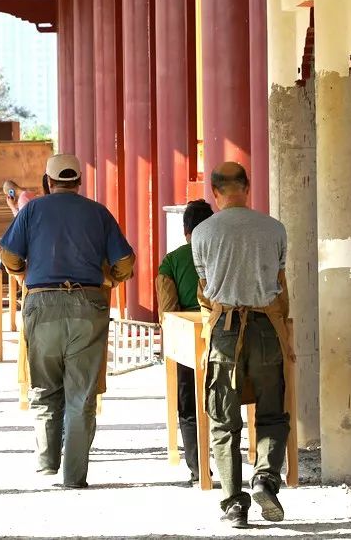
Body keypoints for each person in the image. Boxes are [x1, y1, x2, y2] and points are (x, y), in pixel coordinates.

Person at [0, 154, 135, 488]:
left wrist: (24, 275)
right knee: (81, 393)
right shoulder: (98, 212)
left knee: (45, 386)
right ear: (78, 183)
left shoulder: (31, 210)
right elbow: (125, 260)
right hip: (88, 303)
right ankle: (74, 476)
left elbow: (8, 255)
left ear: (48, 182)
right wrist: (110, 280)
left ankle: (47, 462)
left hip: (42, 302)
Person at [191, 162, 293, 528]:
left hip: (224, 332)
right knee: (271, 411)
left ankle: (234, 503)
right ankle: (265, 477)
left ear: (214, 192)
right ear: (247, 187)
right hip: (267, 328)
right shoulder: (274, 229)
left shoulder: (202, 233)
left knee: (223, 419)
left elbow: (205, 290)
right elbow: (280, 284)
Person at [155, 200, 214, 486]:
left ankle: (198, 467)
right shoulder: (222, 254)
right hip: (224, 331)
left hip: (187, 337)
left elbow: (167, 310)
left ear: (185, 230)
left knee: (188, 404)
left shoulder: (171, 262)